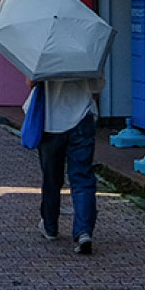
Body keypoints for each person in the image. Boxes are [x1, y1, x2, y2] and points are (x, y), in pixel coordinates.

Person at [31, 70, 106, 255]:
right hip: (82, 119)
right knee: (82, 178)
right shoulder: (87, 49)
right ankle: (83, 232)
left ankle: (50, 226)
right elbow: (98, 86)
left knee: (51, 177)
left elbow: (30, 82)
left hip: (50, 122)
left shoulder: (43, 50)